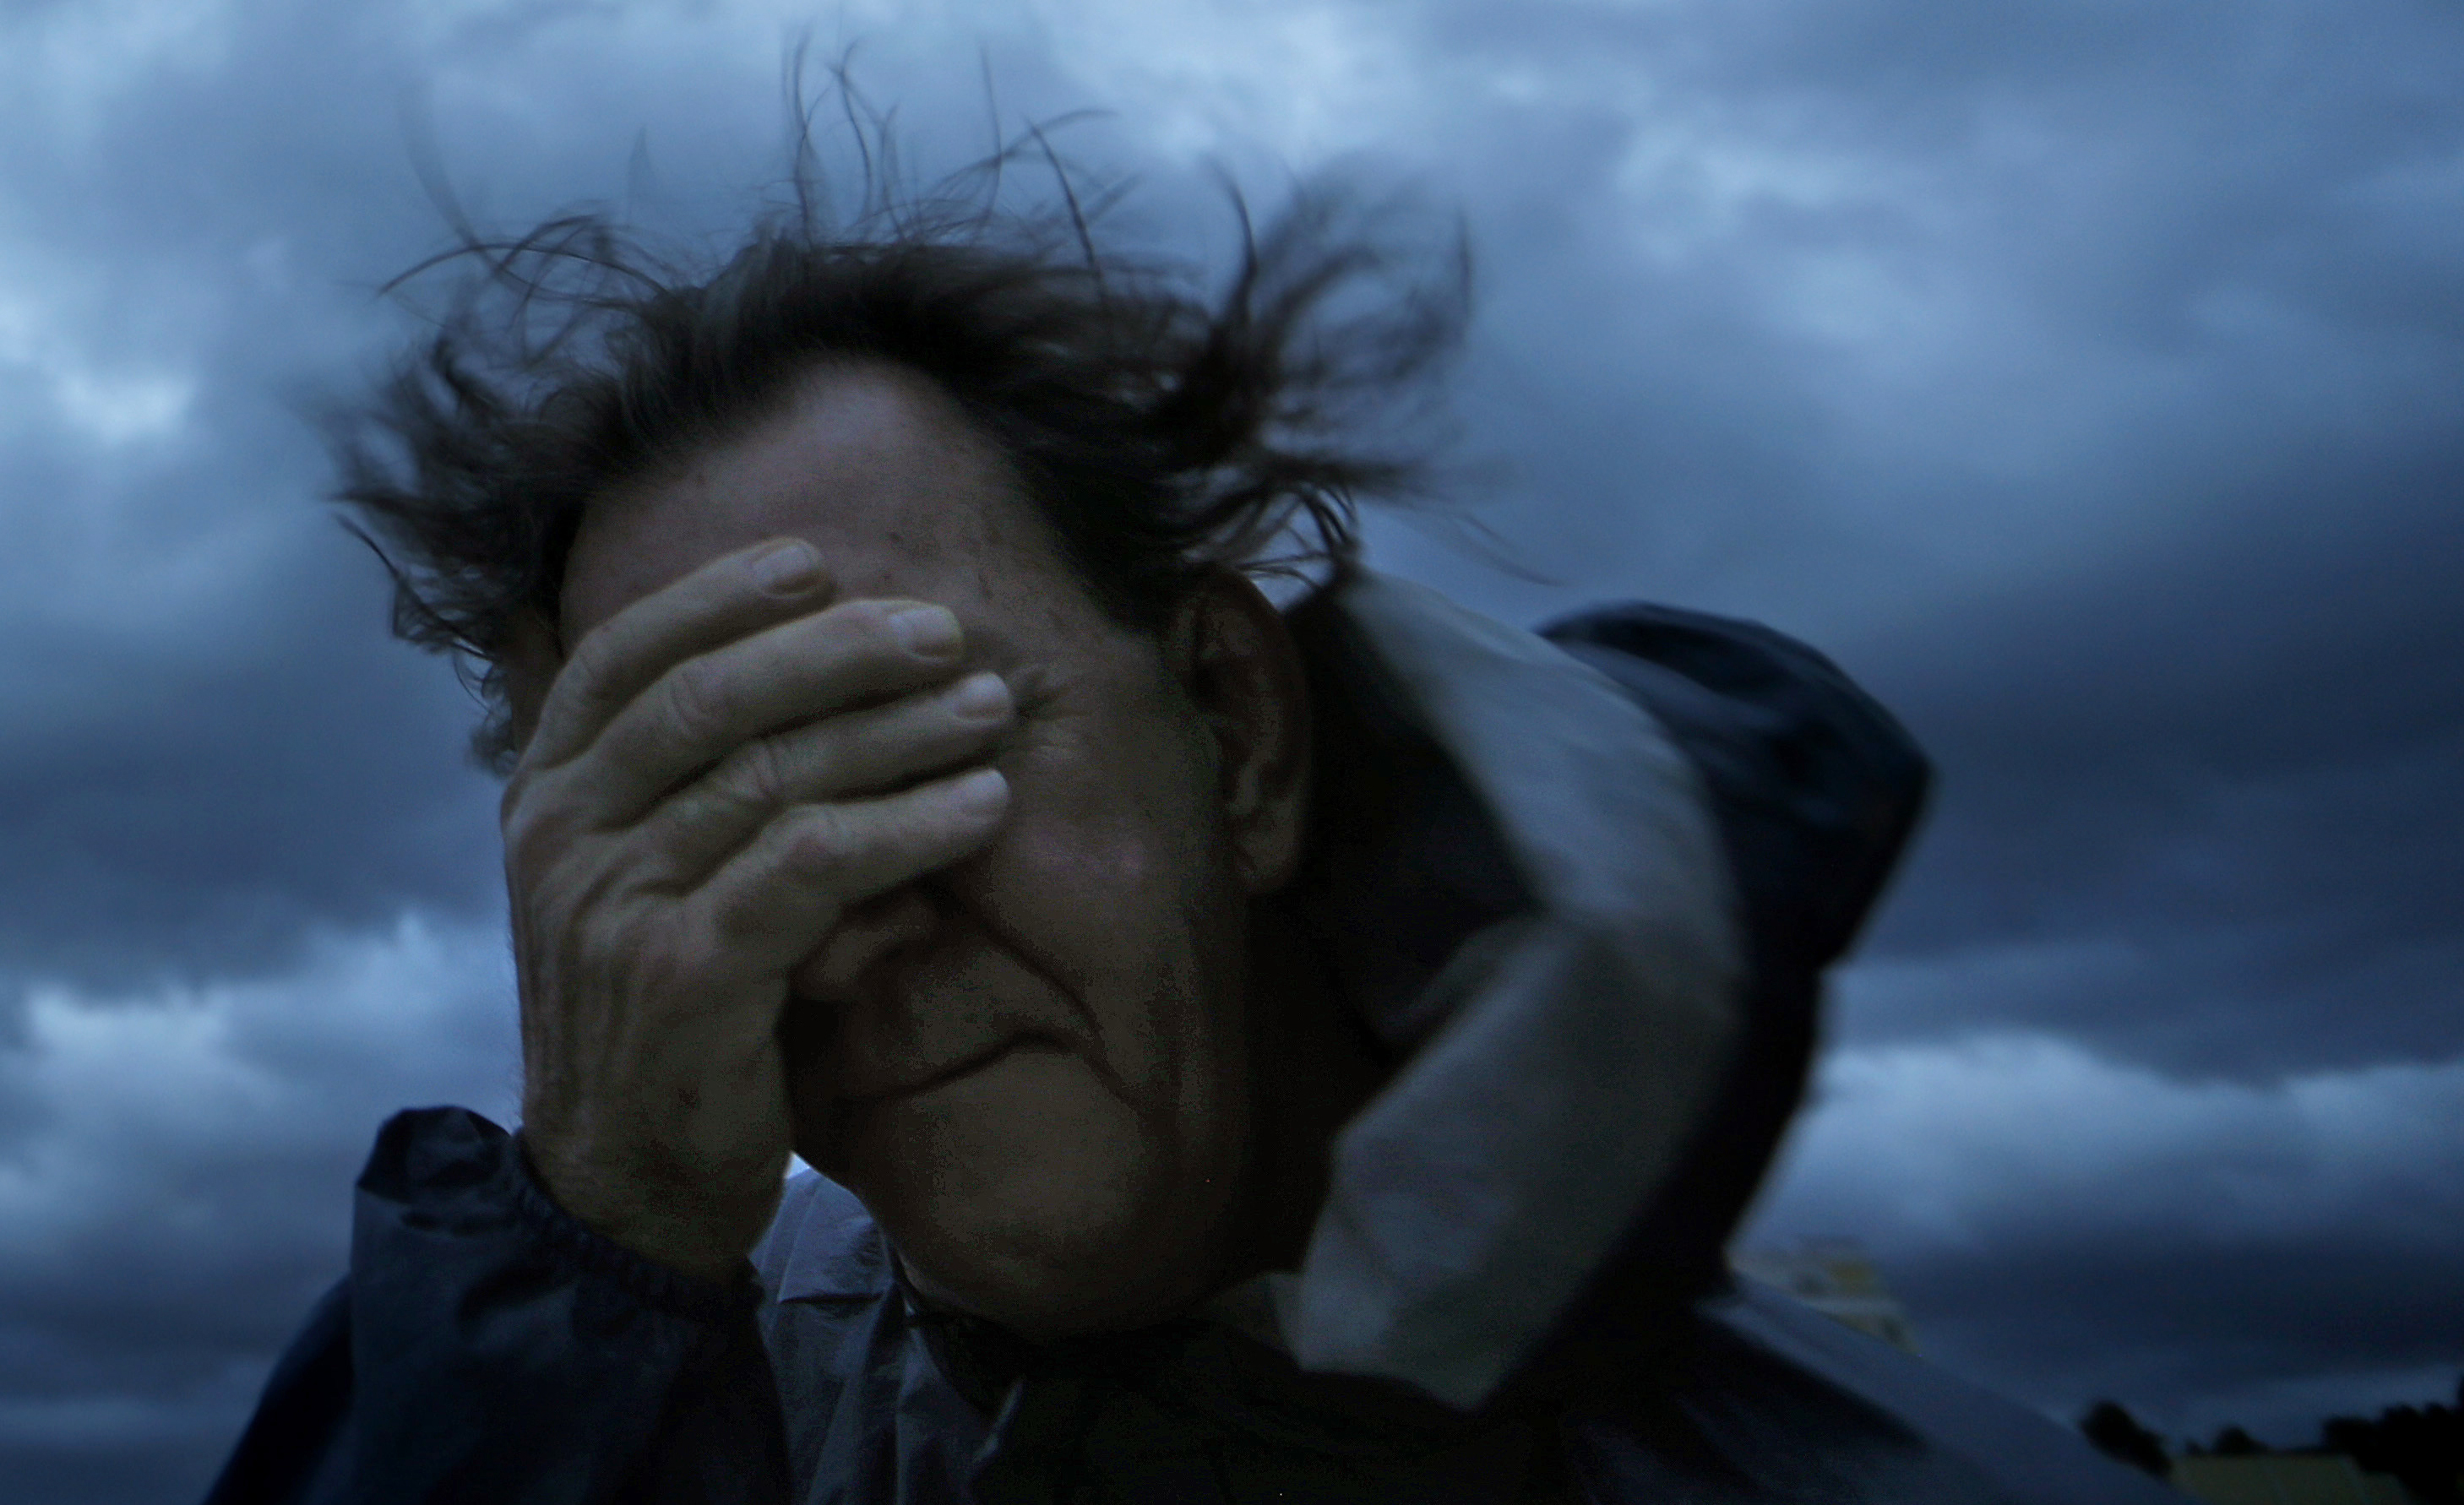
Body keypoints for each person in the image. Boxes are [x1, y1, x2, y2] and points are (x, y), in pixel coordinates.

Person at [204, 159, 2152, 1502]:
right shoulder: (694, 1402)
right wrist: (583, 1287)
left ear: (1234, 723)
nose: (839, 921)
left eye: (895, 735)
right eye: (704, 821)